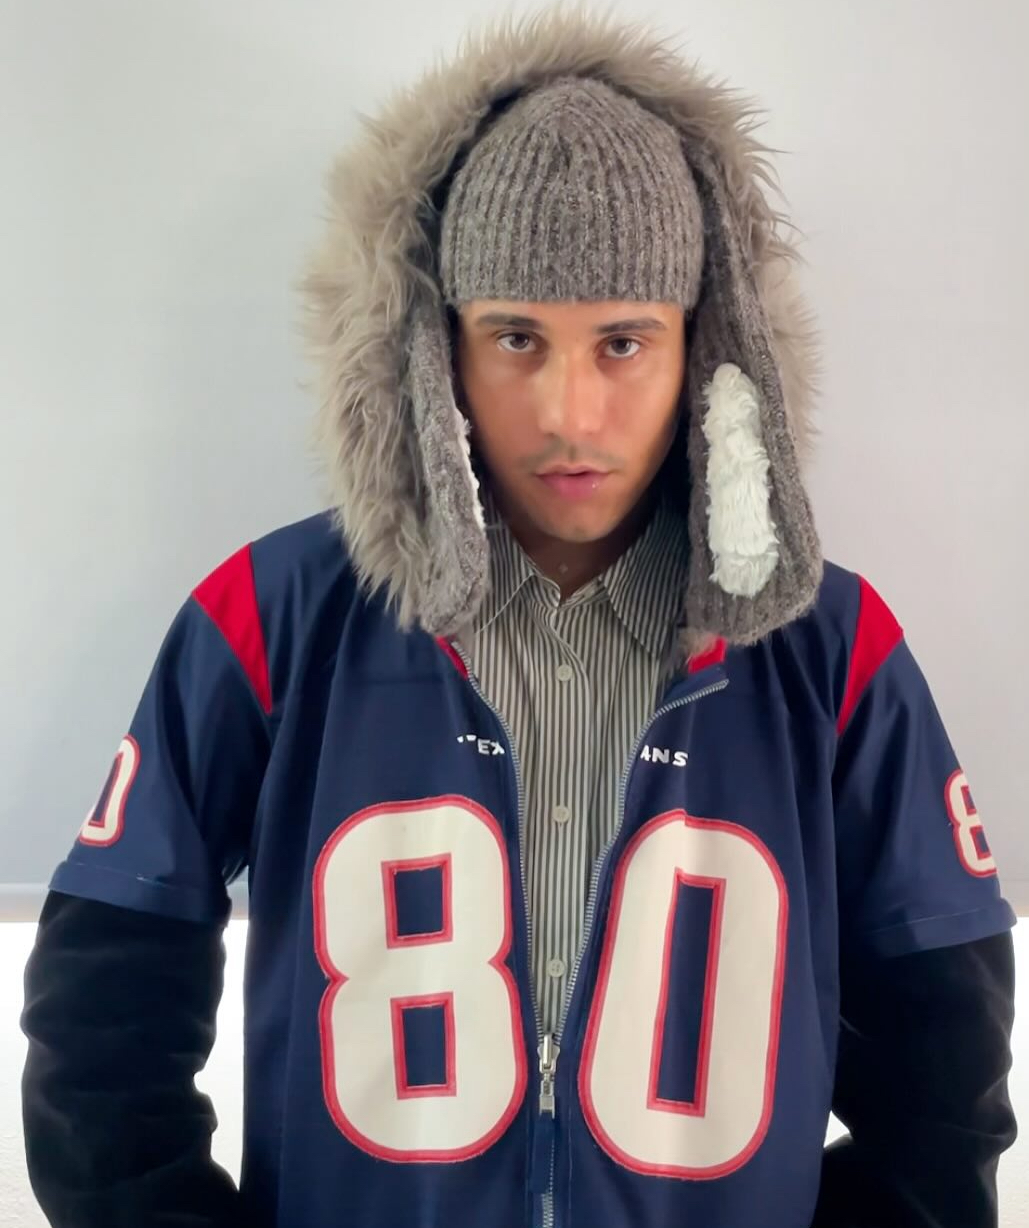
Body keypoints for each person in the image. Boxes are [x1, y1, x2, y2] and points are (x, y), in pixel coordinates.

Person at [20, 7, 1017, 1228]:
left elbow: (943, 1059)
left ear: (706, 350)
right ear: (435, 346)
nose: (568, 414)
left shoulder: (829, 646)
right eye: (516, 337)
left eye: (623, 342)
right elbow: (107, 1003)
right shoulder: (273, 619)